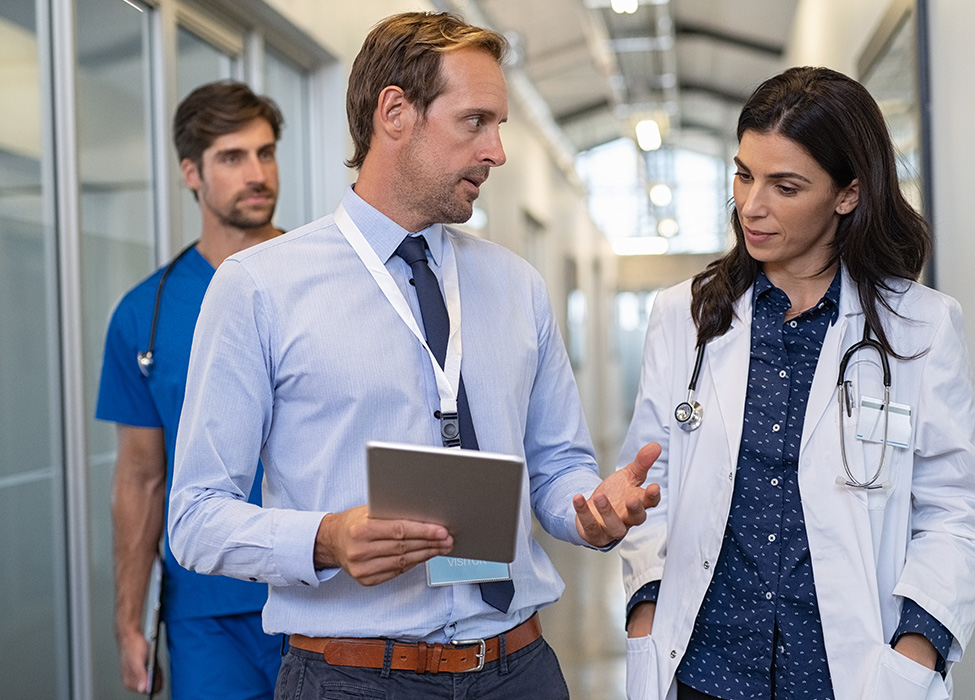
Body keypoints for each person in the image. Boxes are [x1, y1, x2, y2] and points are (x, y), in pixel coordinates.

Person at [167, 11, 660, 700]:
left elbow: (557, 465)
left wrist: (589, 507)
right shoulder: (259, 287)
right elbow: (194, 516)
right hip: (352, 678)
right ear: (395, 113)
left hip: (518, 669)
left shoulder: (515, 285)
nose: (496, 151)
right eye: (475, 121)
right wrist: (326, 537)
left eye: (500, 125)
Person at [618, 66, 975, 700]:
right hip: (706, 668)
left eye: (785, 186)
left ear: (848, 194)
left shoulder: (920, 326)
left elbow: (954, 510)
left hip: (851, 675)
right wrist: (647, 608)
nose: (751, 206)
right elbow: (653, 482)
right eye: (743, 173)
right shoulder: (686, 315)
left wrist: (916, 651)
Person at [96, 80, 285, 699]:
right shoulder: (144, 314)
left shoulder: (329, 281)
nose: (256, 173)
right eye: (232, 158)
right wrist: (129, 618)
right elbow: (142, 477)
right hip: (205, 611)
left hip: (327, 593)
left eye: (265, 152)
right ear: (191, 173)